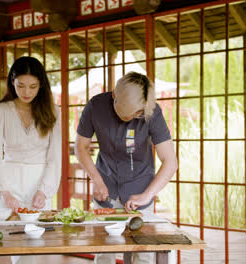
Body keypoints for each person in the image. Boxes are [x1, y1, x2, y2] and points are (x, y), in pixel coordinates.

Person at [75, 72, 178, 264]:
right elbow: (81, 147)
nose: (129, 118)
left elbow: (170, 162)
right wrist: (96, 180)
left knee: (141, 252)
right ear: (114, 95)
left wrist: (147, 195)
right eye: (124, 114)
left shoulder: (152, 112)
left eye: (135, 114)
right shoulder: (95, 106)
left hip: (140, 187)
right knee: (104, 249)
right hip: (105, 186)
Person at [0, 56, 61, 264]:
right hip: (9, 184)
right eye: (21, 86)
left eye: (33, 87)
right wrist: (4, 191)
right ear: (12, 82)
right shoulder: (1, 110)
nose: (27, 92)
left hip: (40, 183)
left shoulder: (53, 112)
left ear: (41, 86)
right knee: (15, 244)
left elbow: (54, 156)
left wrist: (44, 190)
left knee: (41, 246)